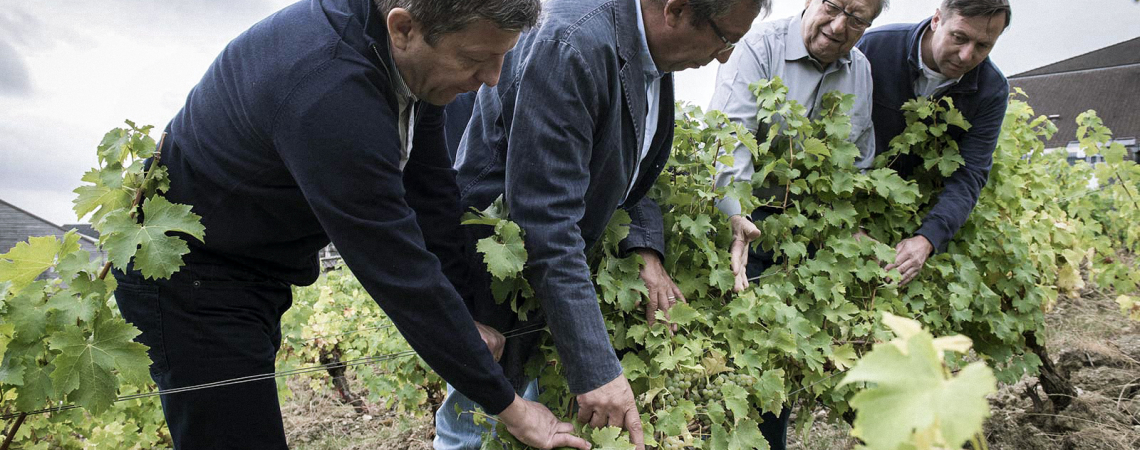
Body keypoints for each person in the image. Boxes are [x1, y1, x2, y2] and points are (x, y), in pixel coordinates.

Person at [109, 0, 590, 449]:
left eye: (501, 57)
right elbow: (398, 269)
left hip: (246, 265)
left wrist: (469, 309)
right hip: (188, 279)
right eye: (475, 58)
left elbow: (432, 197)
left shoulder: (399, 60)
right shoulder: (331, 92)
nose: (491, 78)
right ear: (404, 28)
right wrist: (510, 407)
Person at [436, 0, 768, 449]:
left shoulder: (653, 50)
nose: (726, 56)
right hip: (501, 268)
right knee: (480, 418)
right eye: (725, 38)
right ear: (675, 10)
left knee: (538, 414)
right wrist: (596, 368)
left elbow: (628, 166)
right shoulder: (573, 45)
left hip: (556, 266)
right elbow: (544, 221)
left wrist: (645, 249)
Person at [708, 0, 886, 448]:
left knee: (783, 359)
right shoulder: (760, 45)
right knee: (744, 355)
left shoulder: (859, 70)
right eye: (834, 5)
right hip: (745, 221)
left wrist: (851, 225)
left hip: (811, 232)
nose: (840, 25)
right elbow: (731, 137)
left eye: (859, 18)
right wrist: (736, 215)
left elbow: (858, 159)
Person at [856, 0, 1011, 284]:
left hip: (916, 213)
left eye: (983, 46)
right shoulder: (874, 49)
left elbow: (970, 173)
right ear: (937, 20)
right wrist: (848, 223)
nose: (966, 56)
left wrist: (927, 238)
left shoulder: (992, 90)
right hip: (852, 200)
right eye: (959, 38)